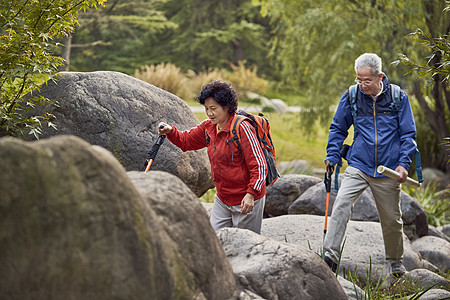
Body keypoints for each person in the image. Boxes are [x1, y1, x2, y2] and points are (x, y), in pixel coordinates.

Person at [323, 53, 417, 277]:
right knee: (341, 205)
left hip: (388, 169)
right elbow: (338, 128)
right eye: (359, 79)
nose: (362, 85)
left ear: (379, 77)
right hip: (359, 163)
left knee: (392, 219)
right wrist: (332, 155)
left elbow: (408, 135)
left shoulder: (398, 98)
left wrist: (403, 164)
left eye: (367, 80)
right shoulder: (352, 96)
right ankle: (330, 257)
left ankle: (395, 261)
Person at [158, 80, 268, 234]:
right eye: (206, 108)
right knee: (216, 241)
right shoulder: (209, 127)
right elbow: (186, 141)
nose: (209, 113)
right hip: (223, 198)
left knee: (243, 247)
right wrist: (171, 131)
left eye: (213, 109)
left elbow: (260, 165)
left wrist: (251, 195)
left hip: (246, 199)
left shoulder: (242, 128)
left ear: (227, 107)